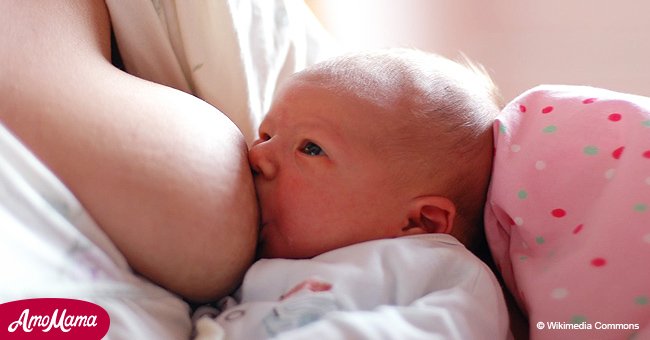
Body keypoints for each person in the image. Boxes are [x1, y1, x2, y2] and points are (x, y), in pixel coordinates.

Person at [193, 49, 510, 339]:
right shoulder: (251, 261)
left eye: (311, 148)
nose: (257, 155)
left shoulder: (444, 271)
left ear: (420, 221)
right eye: (266, 134)